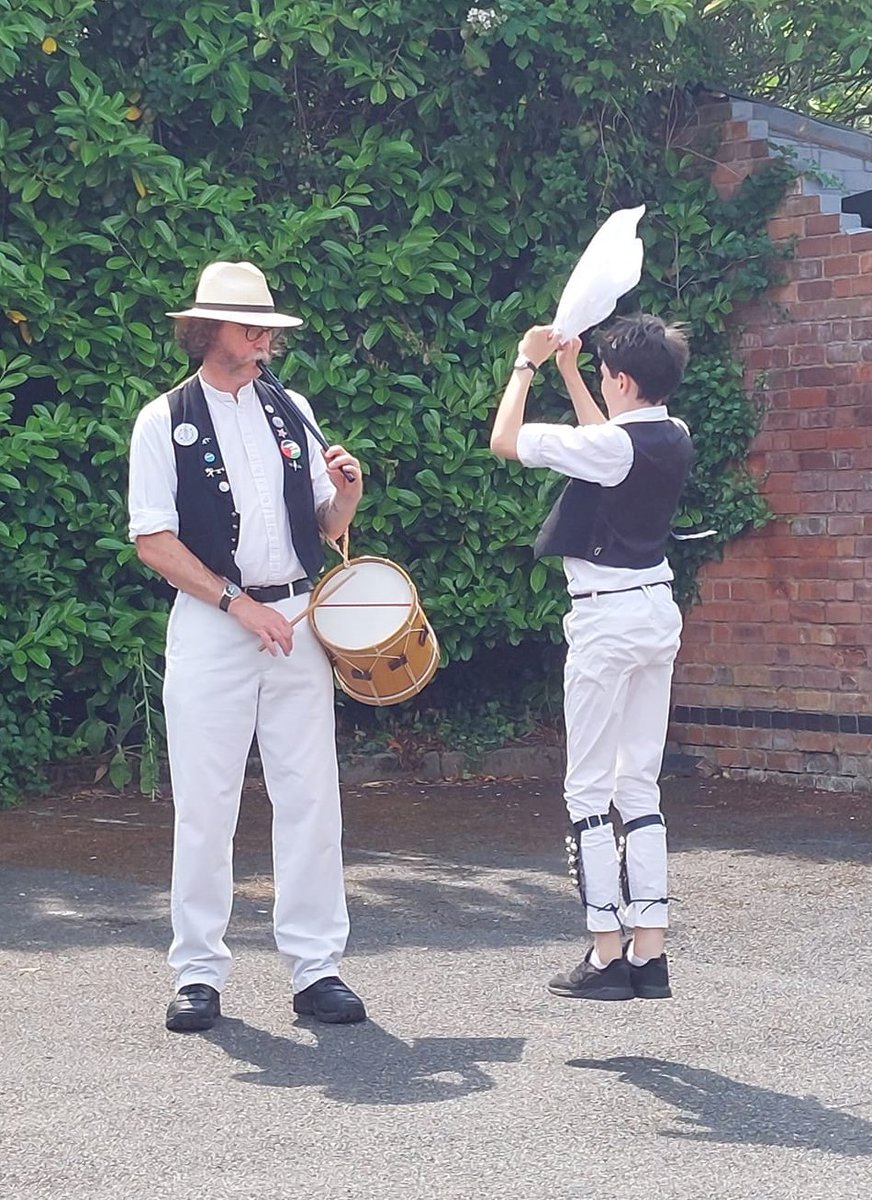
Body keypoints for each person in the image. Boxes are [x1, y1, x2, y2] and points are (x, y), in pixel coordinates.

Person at [128, 260, 367, 1031]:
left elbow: (326, 528)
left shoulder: (291, 408)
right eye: (249, 326)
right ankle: (197, 973)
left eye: (267, 326)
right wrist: (235, 603)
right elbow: (153, 541)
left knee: (310, 796)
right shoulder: (162, 419)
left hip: (297, 623)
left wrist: (349, 493)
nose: (265, 337)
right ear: (206, 331)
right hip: (211, 626)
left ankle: (316, 969)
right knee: (205, 802)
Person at [490, 314, 694, 1001]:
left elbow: (506, 439)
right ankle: (650, 952)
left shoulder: (614, 446)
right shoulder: (675, 433)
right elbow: (603, 441)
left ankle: (606, 952)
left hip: (607, 620)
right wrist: (575, 371)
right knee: (640, 785)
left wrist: (526, 365)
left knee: (588, 790)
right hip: (656, 611)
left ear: (626, 381)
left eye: (608, 377)